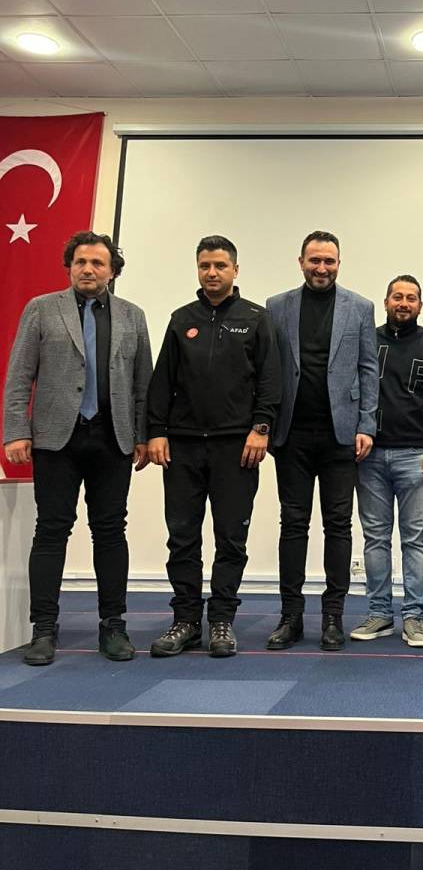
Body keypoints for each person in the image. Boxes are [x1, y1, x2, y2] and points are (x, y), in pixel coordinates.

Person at [3, 231, 152, 665]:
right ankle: (43, 629)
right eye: (80, 262)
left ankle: (113, 626)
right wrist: (15, 430)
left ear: (112, 271)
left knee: (110, 532)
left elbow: (143, 383)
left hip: (113, 439)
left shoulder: (133, 316)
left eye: (97, 263)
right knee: (51, 530)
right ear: (69, 267)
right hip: (56, 439)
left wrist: (143, 435)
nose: (88, 269)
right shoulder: (41, 309)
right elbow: (19, 375)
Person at [146, 236, 281, 658]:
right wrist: (156, 431)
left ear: (235, 270)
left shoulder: (256, 319)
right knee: (182, 537)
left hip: (236, 448)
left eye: (220, 265)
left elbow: (270, 380)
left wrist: (261, 428)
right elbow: (162, 381)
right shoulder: (180, 319)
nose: (212, 272)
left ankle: (222, 619)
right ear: (198, 269)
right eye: (205, 265)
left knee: (231, 538)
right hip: (182, 447)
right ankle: (185, 620)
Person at [265, 231, 378, 652]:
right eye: (315, 260)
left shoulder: (360, 307)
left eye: (329, 261)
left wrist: (367, 425)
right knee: (293, 524)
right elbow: (269, 369)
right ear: (301, 262)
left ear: (339, 263)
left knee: (338, 526)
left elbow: (368, 369)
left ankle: (333, 617)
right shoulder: (276, 307)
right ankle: (290, 616)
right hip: (291, 434)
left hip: (341, 436)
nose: (322, 268)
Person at [351, 275, 423, 648]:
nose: (404, 303)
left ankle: (414, 617)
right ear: (386, 301)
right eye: (398, 296)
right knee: (375, 538)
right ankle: (379, 613)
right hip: (371, 455)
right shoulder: (367, 341)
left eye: (411, 298)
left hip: (417, 455)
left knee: (415, 540)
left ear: (420, 305)